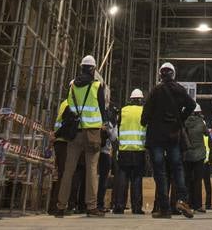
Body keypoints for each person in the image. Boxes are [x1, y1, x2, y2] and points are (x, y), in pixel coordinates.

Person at [54, 54, 108, 217]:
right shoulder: (98, 85)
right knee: (91, 169)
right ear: (93, 69)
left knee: (68, 170)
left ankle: (61, 206)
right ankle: (91, 206)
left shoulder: (72, 86)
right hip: (92, 132)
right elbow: (102, 108)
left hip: (75, 131)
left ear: (81, 67)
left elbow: (70, 107)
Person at [142, 61, 196, 218]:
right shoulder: (179, 89)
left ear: (160, 74)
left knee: (160, 172)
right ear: (173, 74)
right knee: (178, 169)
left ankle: (164, 208)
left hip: (156, 137)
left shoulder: (155, 91)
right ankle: (182, 201)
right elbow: (192, 104)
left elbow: (144, 117)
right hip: (173, 135)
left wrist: (151, 120)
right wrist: (180, 119)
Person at [112, 89, 147, 214]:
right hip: (139, 150)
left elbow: (116, 131)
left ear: (131, 99)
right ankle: (136, 207)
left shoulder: (123, 110)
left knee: (122, 178)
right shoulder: (144, 111)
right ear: (141, 99)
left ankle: (119, 206)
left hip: (124, 149)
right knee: (137, 178)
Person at [183, 103, 210, 211]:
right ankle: (198, 205)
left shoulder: (185, 122)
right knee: (198, 180)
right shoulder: (201, 122)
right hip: (199, 155)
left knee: (187, 180)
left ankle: (187, 204)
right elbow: (207, 134)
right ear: (198, 112)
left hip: (187, 155)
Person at [98, 119, 117, 212]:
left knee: (91, 177)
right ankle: (99, 204)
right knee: (103, 179)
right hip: (105, 152)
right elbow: (113, 137)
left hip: (93, 150)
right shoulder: (109, 121)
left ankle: (85, 204)